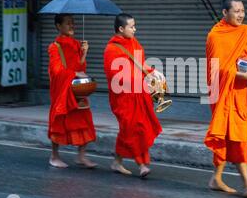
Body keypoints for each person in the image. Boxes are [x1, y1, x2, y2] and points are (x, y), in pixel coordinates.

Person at [204, 0, 247, 198]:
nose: (241, 15)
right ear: (225, 13)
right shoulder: (215, 36)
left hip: (240, 93)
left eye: (243, 10)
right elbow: (216, 70)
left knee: (229, 135)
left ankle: (216, 178)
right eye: (236, 11)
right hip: (222, 91)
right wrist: (244, 75)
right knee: (236, 135)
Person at [103, 13, 163, 178]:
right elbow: (115, 76)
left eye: (134, 26)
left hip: (138, 94)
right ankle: (142, 164)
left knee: (130, 130)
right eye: (131, 26)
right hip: (123, 97)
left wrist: (152, 71)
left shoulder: (133, 43)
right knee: (134, 128)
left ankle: (117, 162)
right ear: (121, 29)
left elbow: (139, 62)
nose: (135, 29)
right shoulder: (112, 49)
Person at [47, 14, 97, 169]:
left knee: (84, 120)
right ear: (58, 26)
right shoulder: (55, 47)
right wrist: (74, 74)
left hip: (76, 89)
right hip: (63, 90)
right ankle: (54, 156)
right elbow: (56, 70)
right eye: (68, 23)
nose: (72, 26)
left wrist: (84, 52)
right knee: (59, 122)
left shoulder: (76, 44)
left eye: (73, 23)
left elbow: (80, 68)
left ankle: (81, 156)